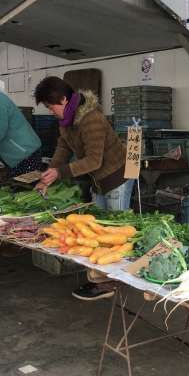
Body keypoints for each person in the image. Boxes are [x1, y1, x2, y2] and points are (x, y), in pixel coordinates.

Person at [33, 76, 133, 301]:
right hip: (98, 181)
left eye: (51, 107)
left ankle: (114, 281)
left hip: (117, 177)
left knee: (115, 231)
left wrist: (62, 172)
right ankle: (101, 279)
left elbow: (93, 161)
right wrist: (50, 173)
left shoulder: (91, 119)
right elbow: (62, 148)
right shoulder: (67, 122)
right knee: (98, 229)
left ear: (64, 100)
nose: (51, 111)